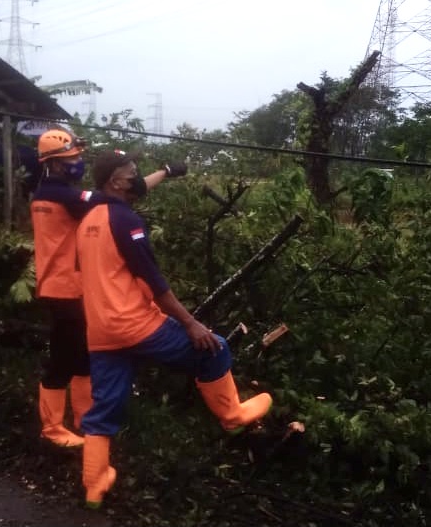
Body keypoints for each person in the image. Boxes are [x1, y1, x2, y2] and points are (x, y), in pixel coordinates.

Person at [75, 149, 273, 508]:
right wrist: (191, 323)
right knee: (214, 348)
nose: (136, 174)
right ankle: (233, 417)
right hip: (135, 325)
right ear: (115, 181)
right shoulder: (126, 222)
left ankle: (94, 483)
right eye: (131, 170)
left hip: (101, 329)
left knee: (106, 403)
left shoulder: (90, 218)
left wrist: (167, 171)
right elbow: (155, 284)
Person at [31, 129, 186, 448]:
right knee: (63, 358)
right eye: (72, 157)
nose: (79, 161)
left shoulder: (47, 193)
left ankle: (84, 421)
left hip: (63, 286)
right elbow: (128, 191)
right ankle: (52, 429)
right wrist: (167, 172)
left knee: (83, 356)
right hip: (66, 290)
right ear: (56, 164)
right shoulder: (63, 196)